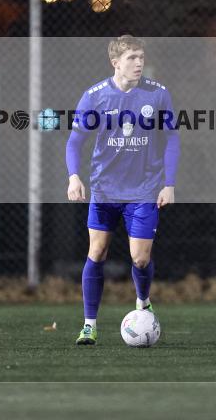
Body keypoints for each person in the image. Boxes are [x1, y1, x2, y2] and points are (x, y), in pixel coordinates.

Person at [66, 35, 180, 345]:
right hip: (105, 191)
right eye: (131, 58)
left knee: (140, 259)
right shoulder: (95, 96)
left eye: (141, 57)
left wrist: (169, 184)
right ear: (115, 62)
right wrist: (74, 176)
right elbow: (75, 141)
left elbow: (172, 138)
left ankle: (142, 301)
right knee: (97, 252)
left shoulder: (157, 95)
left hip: (143, 191)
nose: (138, 63)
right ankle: (89, 325)